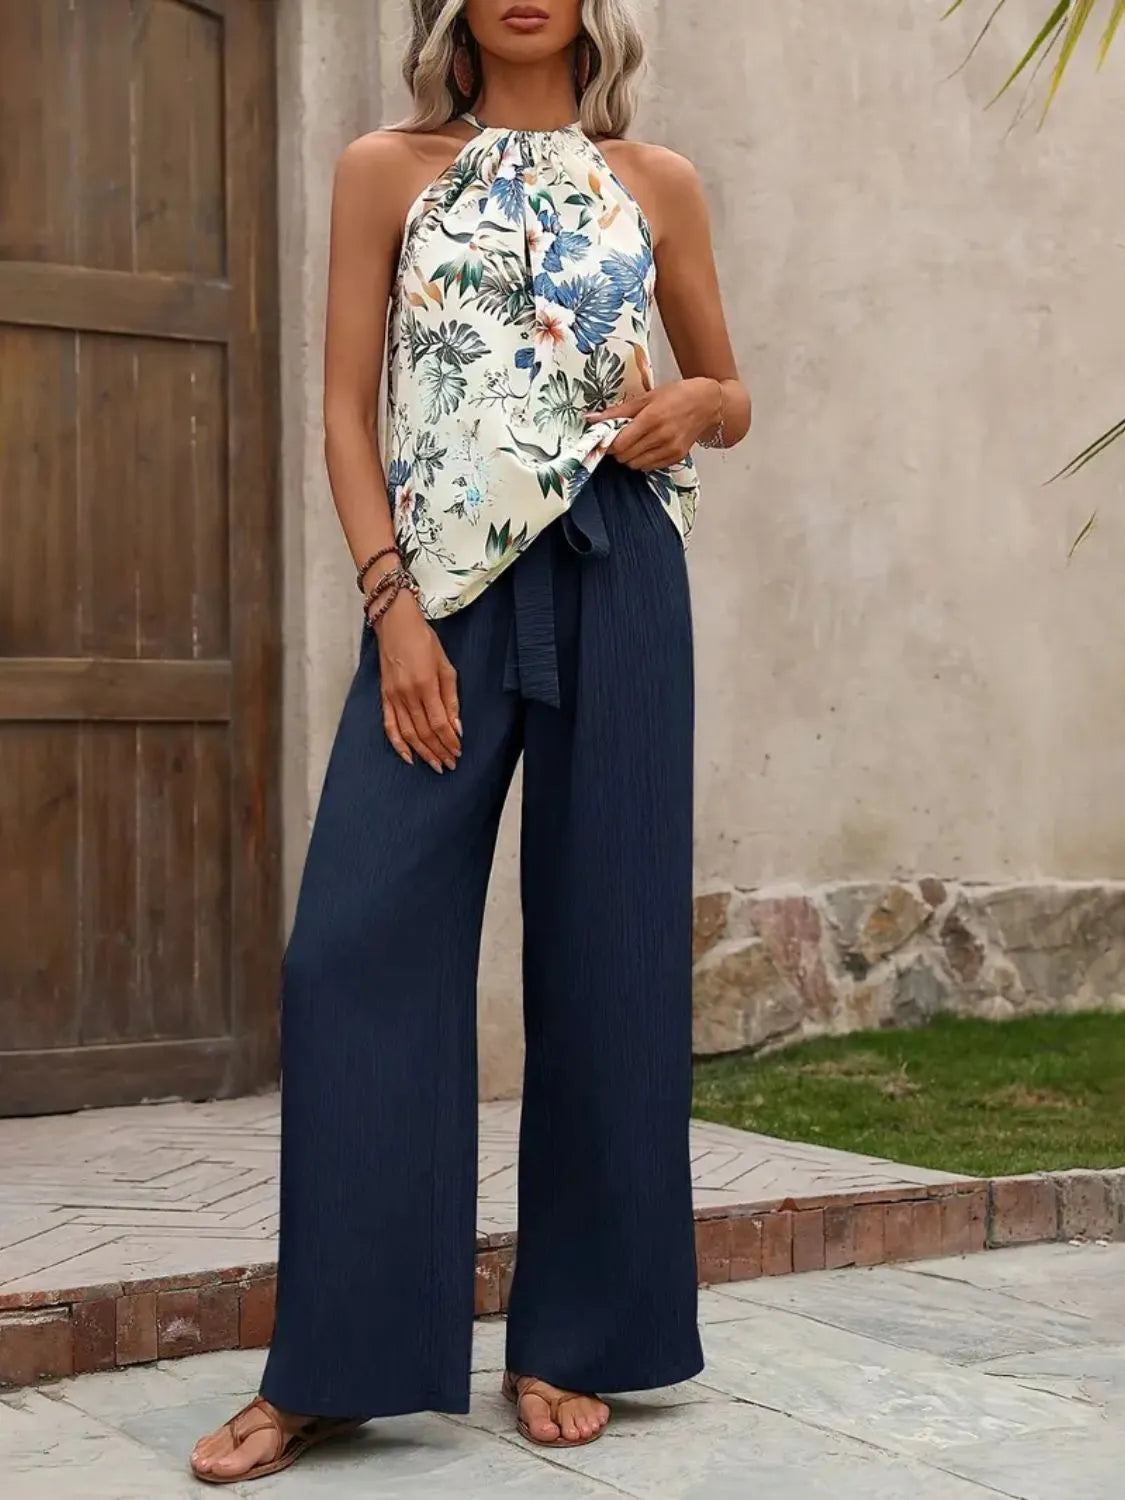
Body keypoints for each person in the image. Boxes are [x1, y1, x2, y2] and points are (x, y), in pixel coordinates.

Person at [190, 0, 750, 1482]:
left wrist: (691, 404)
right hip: (441, 596)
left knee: (611, 952)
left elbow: (732, 391)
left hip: (620, 572)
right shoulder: (387, 167)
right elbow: (339, 407)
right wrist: (390, 610)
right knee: (351, 947)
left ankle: (581, 1332)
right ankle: (337, 1366)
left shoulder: (656, 184)